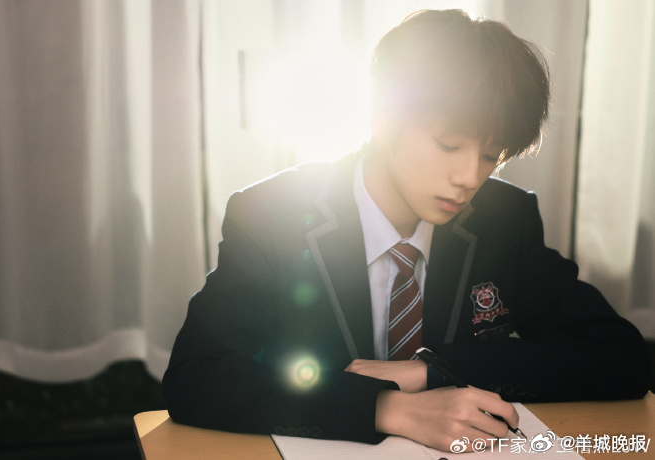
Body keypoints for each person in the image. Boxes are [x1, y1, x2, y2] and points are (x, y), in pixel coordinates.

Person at [162, 9, 650, 452]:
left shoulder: (506, 217)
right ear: (383, 117)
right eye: (448, 145)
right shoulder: (272, 214)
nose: (470, 178)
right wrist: (387, 407)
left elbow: (620, 356)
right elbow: (196, 377)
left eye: (490, 156)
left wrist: (436, 371)